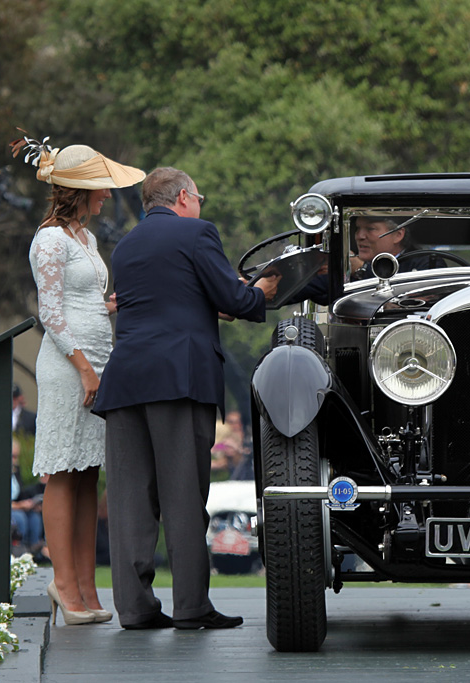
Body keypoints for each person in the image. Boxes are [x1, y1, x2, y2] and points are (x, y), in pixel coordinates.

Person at [93, 167, 278, 630]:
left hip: (126, 379)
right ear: (183, 198)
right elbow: (236, 299)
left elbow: (166, 298)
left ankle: (135, 609)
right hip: (178, 377)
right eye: (200, 197)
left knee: (132, 499)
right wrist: (263, 291)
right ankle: (192, 606)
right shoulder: (198, 233)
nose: (201, 205)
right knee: (182, 494)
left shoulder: (126, 245)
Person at [17, 137, 145, 626]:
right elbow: (49, 311)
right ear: (79, 189)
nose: (108, 195)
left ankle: (88, 588)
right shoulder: (48, 240)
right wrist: (85, 369)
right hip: (70, 366)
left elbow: (81, 298)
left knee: (90, 472)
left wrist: (107, 308)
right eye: (101, 187)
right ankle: (64, 584)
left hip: (99, 358)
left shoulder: (86, 240)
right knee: (63, 471)